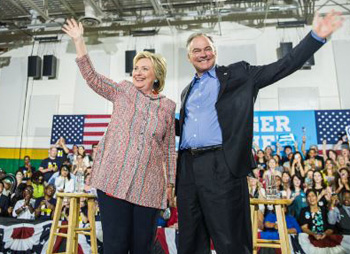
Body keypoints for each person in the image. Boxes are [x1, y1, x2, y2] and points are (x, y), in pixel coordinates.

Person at [176, 11, 343, 254]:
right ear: (189, 57)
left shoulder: (238, 75)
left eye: (208, 48)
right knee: (190, 238)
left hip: (221, 165)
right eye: (197, 50)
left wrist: (316, 37)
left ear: (215, 51)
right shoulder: (186, 90)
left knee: (230, 240)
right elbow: (188, 128)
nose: (203, 54)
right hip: (188, 168)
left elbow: (283, 66)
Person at [62, 18, 176, 254]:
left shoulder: (167, 106)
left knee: (141, 248)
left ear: (157, 75)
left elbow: (169, 150)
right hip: (114, 181)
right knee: (114, 246)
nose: (138, 72)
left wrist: (171, 184)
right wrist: (78, 40)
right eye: (136, 68)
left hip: (149, 188)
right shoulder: (123, 91)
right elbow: (93, 77)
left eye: (145, 68)